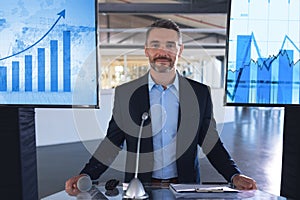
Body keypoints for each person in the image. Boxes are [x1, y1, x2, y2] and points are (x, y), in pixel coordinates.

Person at [65, 19, 257, 196]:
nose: (162, 52)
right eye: (155, 45)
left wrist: (234, 175)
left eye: (170, 46)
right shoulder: (126, 94)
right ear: (146, 50)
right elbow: (112, 142)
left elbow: (210, 143)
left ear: (180, 50)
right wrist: (86, 174)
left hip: (185, 189)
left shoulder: (200, 94)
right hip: (140, 189)